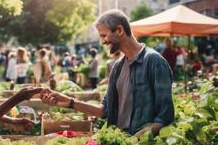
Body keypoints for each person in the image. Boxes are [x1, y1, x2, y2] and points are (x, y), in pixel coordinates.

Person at [41, 10, 174, 136]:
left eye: (104, 35)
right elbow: (105, 110)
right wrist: (69, 102)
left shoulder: (154, 62)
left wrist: (139, 139)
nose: (103, 41)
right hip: (121, 142)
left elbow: (165, 117)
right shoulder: (117, 67)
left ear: (120, 30)